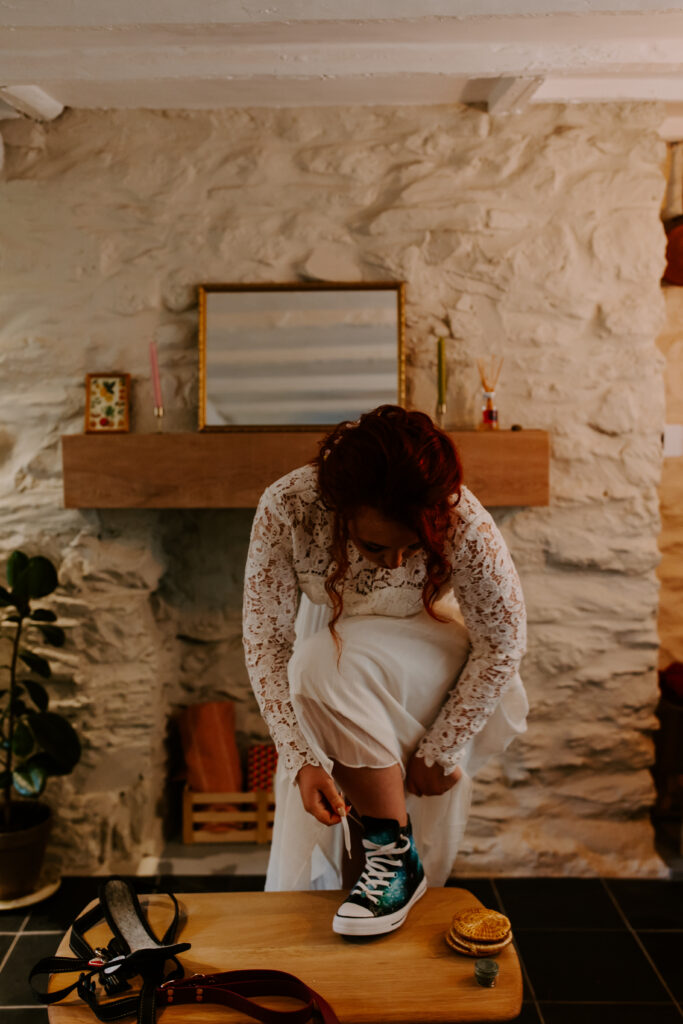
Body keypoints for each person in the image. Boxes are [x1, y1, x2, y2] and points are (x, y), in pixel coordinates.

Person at [242, 405, 527, 936]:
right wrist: (301, 759)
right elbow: (265, 644)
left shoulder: (459, 515)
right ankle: (384, 879)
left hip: (432, 654)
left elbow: (504, 640)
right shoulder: (289, 507)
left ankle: (394, 859)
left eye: (412, 547)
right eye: (375, 546)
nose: (397, 563)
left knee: (321, 668)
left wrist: (444, 745)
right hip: (334, 663)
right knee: (318, 671)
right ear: (338, 510)